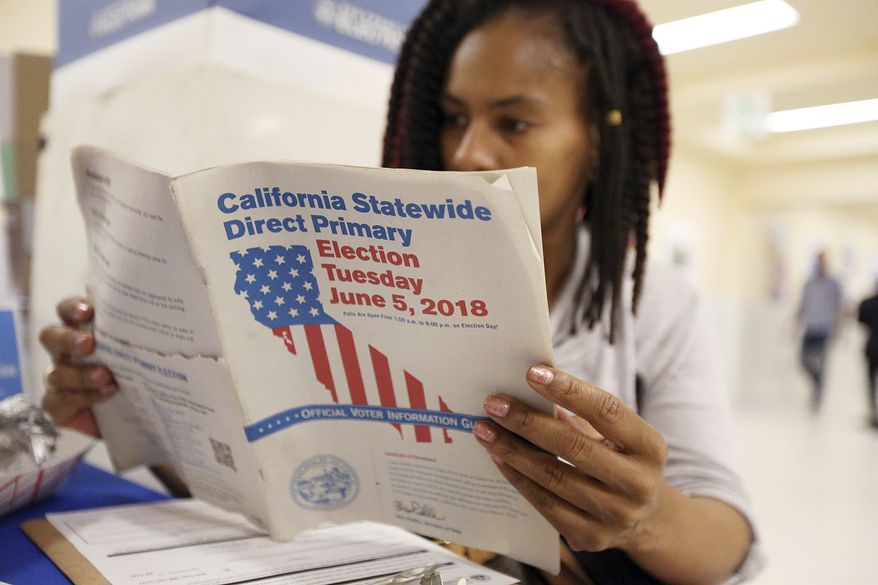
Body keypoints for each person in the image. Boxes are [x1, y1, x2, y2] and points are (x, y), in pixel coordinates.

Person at [40, 0, 760, 583]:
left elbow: (728, 542)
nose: (468, 152)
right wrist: (141, 406)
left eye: (514, 121)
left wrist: (646, 515)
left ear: (598, 141)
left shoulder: (654, 305)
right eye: (452, 117)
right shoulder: (342, 268)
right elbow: (282, 492)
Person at [796, 250, 843, 410]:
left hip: (824, 328)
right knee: (802, 361)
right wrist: (795, 324)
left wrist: (838, 329)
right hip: (810, 327)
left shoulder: (834, 284)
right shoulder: (809, 283)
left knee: (822, 364)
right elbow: (802, 305)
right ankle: (816, 383)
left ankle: (818, 396)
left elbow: (838, 308)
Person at [857, 283, 878, 428]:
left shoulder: (868, 303)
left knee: (871, 382)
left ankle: (873, 412)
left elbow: (861, 320)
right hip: (872, 346)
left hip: (873, 345)